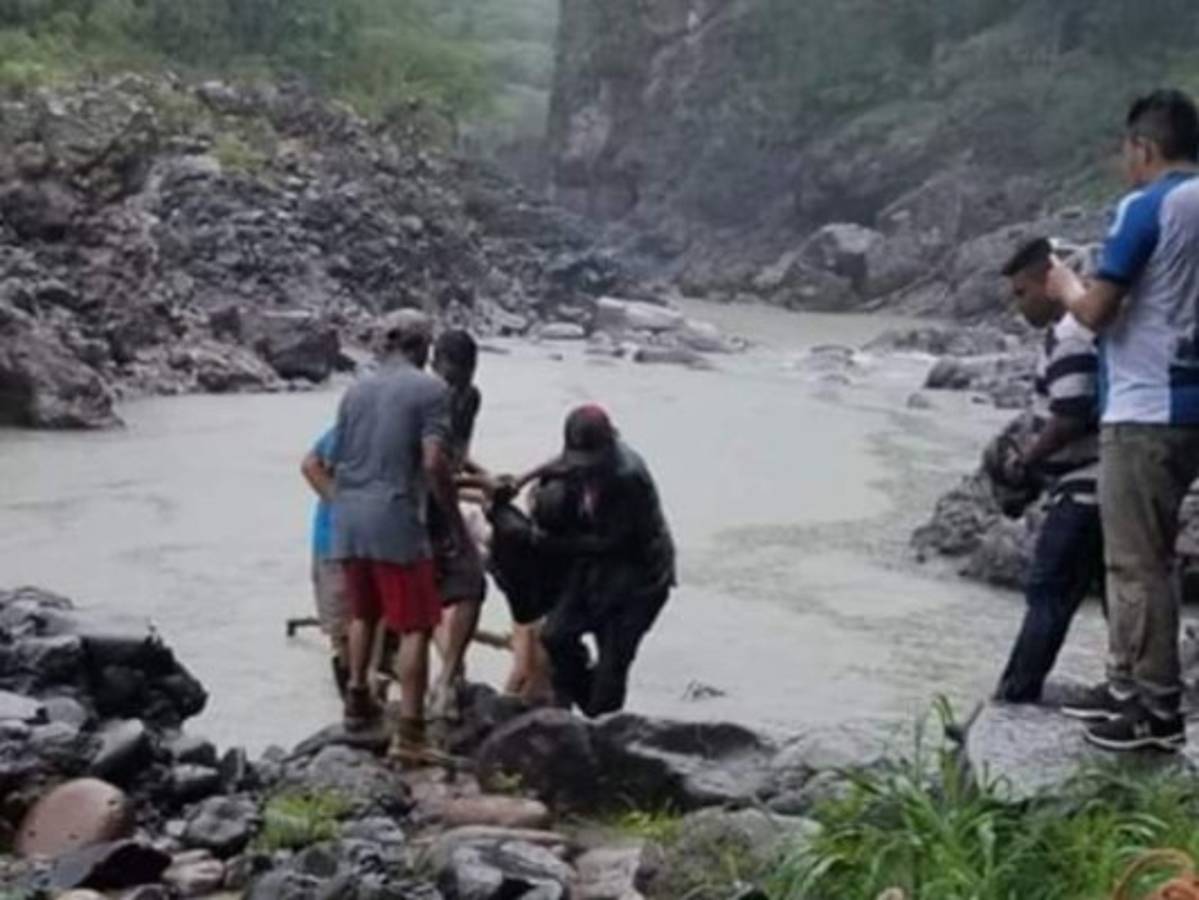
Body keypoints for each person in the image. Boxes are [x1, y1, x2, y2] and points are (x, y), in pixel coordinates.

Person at [1047, 89, 1199, 752]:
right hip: (1190, 399)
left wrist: (1063, 287)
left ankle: (1149, 711)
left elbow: (1097, 312)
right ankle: (1125, 691)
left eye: (1125, 151)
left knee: (1136, 564)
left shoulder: (1148, 205)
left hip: (1145, 405)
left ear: (1143, 147)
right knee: (1153, 558)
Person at [328, 309, 466, 764]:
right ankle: (410, 733)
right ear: (422, 345)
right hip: (396, 519)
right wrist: (453, 520)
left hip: (347, 517)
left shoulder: (354, 391)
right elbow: (432, 463)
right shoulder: (431, 391)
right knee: (416, 625)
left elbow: (334, 458)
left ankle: (357, 700)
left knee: (363, 613)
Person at [991, 237, 1104, 705]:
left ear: (1048, 282)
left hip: (1086, 485)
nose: (1018, 306)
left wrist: (1029, 459)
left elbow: (1072, 414)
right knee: (1109, 590)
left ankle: (1014, 697)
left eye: (1022, 293)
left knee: (1048, 591)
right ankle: (1134, 688)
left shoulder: (1073, 335)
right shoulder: (1067, 332)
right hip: (1093, 482)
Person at [536, 405, 676, 717]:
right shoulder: (573, 464)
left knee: (606, 693)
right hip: (591, 565)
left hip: (638, 580)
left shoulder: (629, 477)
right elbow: (554, 475)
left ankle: (596, 713)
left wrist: (554, 544)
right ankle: (566, 699)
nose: (585, 468)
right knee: (554, 635)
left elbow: (617, 543)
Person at [427, 330, 488, 720]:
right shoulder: (429, 399)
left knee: (463, 584)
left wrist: (483, 477)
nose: (460, 375)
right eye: (455, 366)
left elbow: (454, 458)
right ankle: (448, 678)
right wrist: (477, 488)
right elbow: (431, 466)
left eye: (467, 368)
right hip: (424, 501)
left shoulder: (470, 397)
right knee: (467, 581)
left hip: (441, 494)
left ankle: (449, 675)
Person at [300, 427, 350, 696]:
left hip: (347, 541)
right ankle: (356, 704)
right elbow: (309, 465)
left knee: (348, 631)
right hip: (337, 541)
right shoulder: (350, 427)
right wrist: (340, 505)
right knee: (346, 630)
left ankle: (357, 702)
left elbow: (310, 464)